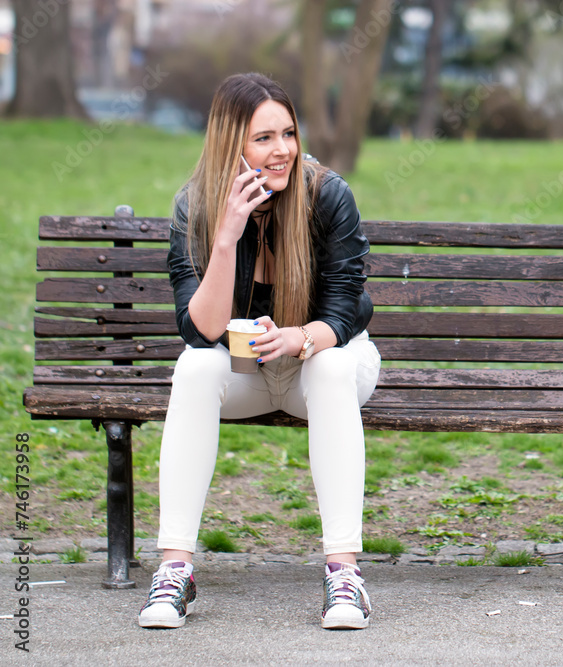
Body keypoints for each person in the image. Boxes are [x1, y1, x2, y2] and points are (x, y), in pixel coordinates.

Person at [137, 73, 381, 631]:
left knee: (330, 365)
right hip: (248, 372)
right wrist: (227, 236)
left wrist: (299, 338)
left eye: (288, 134)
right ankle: (175, 570)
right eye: (264, 138)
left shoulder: (326, 195)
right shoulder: (196, 207)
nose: (282, 150)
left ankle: (345, 576)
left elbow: (347, 307)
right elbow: (199, 330)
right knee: (195, 367)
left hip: (325, 366)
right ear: (232, 146)